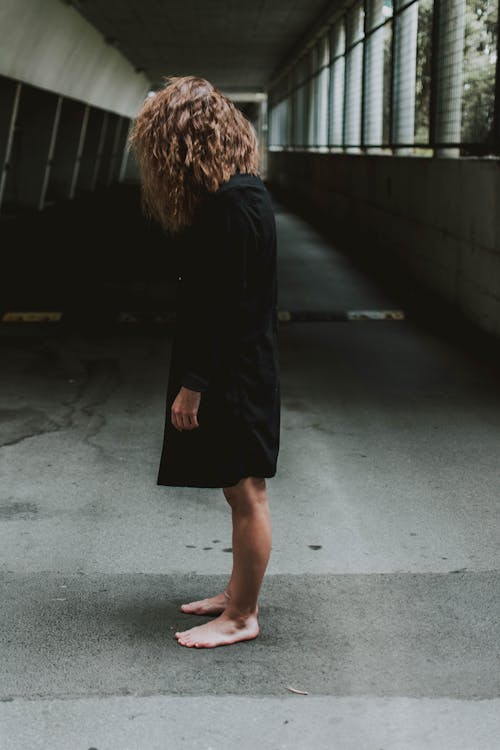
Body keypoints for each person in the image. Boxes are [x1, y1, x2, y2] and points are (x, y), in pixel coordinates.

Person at [129, 76, 280, 649]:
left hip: (234, 374)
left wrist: (195, 386)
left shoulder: (233, 205)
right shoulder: (241, 194)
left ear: (185, 140)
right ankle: (236, 594)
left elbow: (226, 307)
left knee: (246, 492)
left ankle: (242, 616)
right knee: (235, 486)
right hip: (238, 367)